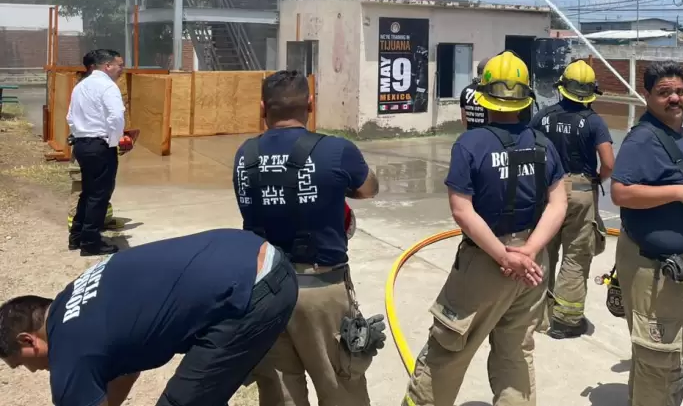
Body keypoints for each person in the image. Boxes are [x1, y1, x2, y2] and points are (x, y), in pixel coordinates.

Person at [402, 50, 568, 406]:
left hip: (485, 263)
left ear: (483, 97)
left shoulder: (470, 144)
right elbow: (558, 204)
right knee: (515, 352)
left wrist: (504, 256)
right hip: (533, 267)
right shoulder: (543, 145)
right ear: (526, 97)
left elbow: (462, 211)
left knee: (448, 348)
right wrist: (528, 251)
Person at [0, 229, 298, 406]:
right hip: (251, 250)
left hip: (253, 290)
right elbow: (126, 368)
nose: (31, 371)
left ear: (27, 339)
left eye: (21, 363)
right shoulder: (72, 297)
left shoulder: (68, 357)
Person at [234, 70, 382, 406]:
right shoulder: (336, 150)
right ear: (310, 105)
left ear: (262, 108)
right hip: (320, 290)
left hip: (265, 289)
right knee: (341, 386)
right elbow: (368, 187)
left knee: (280, 392)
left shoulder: (245, 155)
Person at [610, 60, 683, 406]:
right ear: (647, 96)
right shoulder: (643, 138)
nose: (674, 98)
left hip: (676, 272)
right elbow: (620, 192)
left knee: (666, 361)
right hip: (651, 272)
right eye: (664, 92)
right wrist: (677, 193)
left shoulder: (673, 133)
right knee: (657, 362)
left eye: (679, 91)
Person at [530, 59, 614, 339]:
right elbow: (609, 163)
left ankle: (539, 316)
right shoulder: (593, 122)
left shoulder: (542, 116)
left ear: (562, 88)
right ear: (591, 93)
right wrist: (593, 182)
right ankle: (566, 320)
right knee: (576, 257)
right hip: (580, 190)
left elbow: (528, 149)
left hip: (546, 190)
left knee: (544, 252)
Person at [65, 49, 130, 255]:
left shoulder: (81, 86)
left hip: (82, 144)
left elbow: (70, 117)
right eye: (119, 65)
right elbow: (117, 115)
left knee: (89, 192)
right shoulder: (108, 86)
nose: (122, 69)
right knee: (99, 195)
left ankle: (77, 236)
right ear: (107, 66)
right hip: (99, 146)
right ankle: (91, 243)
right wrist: (114, 141)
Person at [459, 58, 489, 130]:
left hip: (471, 134)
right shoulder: (489, 92)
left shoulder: (465, 91)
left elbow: (464, 121)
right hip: (486, 135)